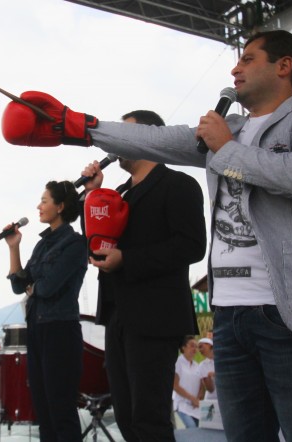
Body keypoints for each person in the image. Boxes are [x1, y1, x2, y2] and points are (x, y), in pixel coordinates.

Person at [2, 29, 292, 442]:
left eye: (248, 59)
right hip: (229, 315)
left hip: (287, 312)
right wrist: (78, 126)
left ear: (284, 66)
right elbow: (154, 138)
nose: (235, 69)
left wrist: (225, 148)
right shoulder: (229, 128)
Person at [78, 110, 206, 441]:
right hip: (117, 315)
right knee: (125, 416)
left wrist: (127, 260)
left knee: (149, 417)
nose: (117, 143)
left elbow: (191, 246)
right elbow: (94, 240)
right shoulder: (119, 193)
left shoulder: (178, 185)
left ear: (150, 138)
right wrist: (92, 196)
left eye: (126, 134)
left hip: (155, 316)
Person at [2, 180, 87, 440]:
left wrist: (33, 287)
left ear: (60, 207)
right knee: (43, 412)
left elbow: (48, 287)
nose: (38, 206)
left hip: (60, 330)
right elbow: (19, 285)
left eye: (44, 201)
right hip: (37, 328)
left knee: (61, 410)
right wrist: (14, 246)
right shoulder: (42, 244)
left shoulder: (75, 243)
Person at [172, 336, 203, 429]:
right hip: (182, 405)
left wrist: (197, 399)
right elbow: (175, 386)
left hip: (195, 406)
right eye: (192, 346)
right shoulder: (178, 362)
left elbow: (201, 385)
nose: (195, 349)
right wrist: (192, 398)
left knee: (199, 429)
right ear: (183, 347)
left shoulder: (197, 365)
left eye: (196, 347)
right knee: (191, 427)